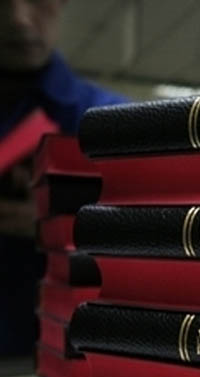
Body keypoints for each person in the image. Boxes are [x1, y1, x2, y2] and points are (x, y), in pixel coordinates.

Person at [1, 0, 126, 358]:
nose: (18, 19)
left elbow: (163, 246)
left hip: (69, 360)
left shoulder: (117, 127)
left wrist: (68, 225)